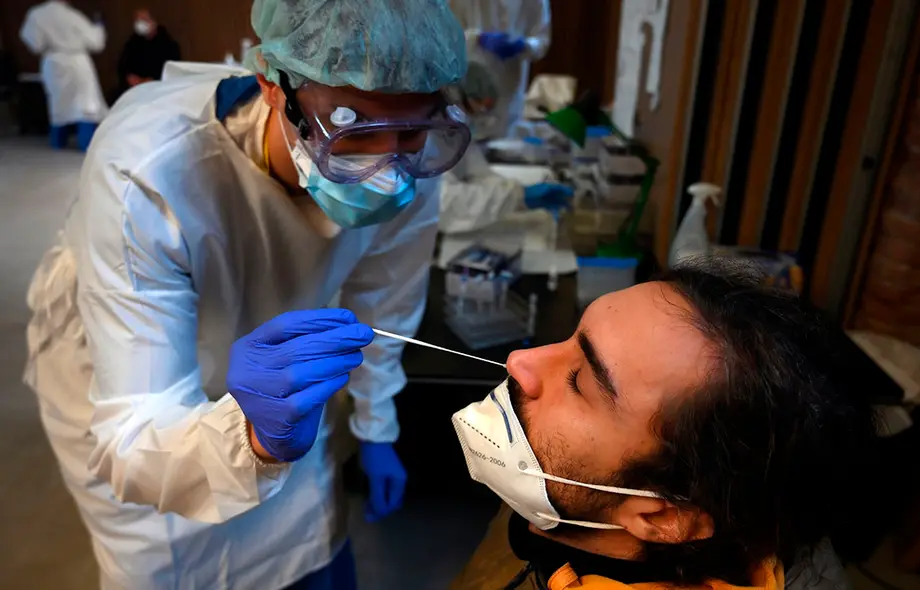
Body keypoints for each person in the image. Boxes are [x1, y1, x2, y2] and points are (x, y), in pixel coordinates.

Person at [23, 0, 469, 588]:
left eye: (411, 130)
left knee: (303, 537)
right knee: (170, 558)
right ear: (271, 86)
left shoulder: (409, 165)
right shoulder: (150, 168)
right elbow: (134, 429)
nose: (385, 165)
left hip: (277, 369)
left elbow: (385, 301)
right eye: (353, 128)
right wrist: (255, 437)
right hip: (134, 384)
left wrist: (376, 423)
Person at [449, 262, 878, 589]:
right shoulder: (575, 504)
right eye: (571, 338)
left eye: (580, 381)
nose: (520, 362)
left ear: (662, 516)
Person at [439, 60, 571, 234]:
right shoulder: (425, 138)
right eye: (475, 110)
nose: (480, 120)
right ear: (454, 98)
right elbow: (445, 205)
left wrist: (517, 195)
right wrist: (517, 196)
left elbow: (479, 173)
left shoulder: (453, 132)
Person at [449, 0, 551, 140]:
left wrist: (524, 45)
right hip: (468, 85)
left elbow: (542, 40)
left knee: (506, 143)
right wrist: (478, 38)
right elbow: (449, 35)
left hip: (511, 91)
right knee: (465, 143)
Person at [19, 0, 108, 151]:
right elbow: (96, 43)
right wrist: (99, 27)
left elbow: (34, 43)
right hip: (77, 62)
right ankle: (85, 144)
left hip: (53, 62)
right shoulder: (73, 16)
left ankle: (58, 142)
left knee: (58, 104)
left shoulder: (36, 14)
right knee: (85, 105)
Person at [116, 9, 180, 95]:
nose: (140, 23)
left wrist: (152, 79)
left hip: (160, 90)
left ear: (153, 21)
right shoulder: (132, 43)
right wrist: (130, 78)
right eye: (138, 20)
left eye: (144, 19)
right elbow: (122, 66)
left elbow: (172, 68)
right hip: (134, 91)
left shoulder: (168, 44)